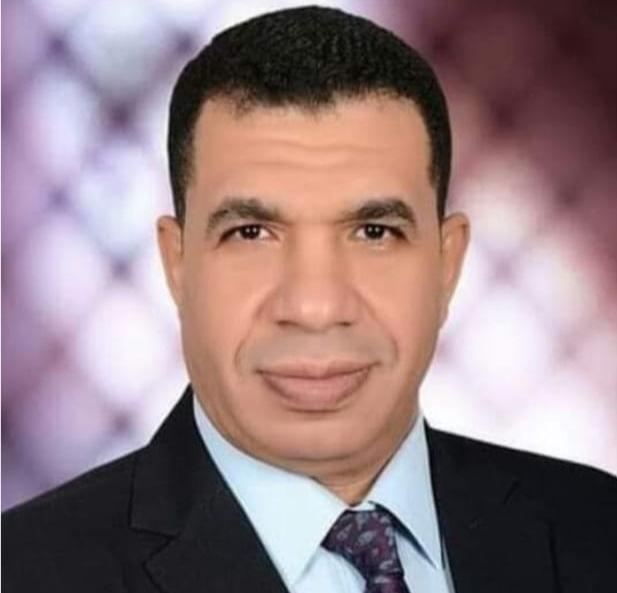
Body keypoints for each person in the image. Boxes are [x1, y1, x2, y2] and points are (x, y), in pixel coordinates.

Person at [3, 5, 616, 593]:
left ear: (447, 263)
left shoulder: (599, 530)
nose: (316, 307)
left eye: (373, 232)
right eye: (252, 233)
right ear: (177, 264)